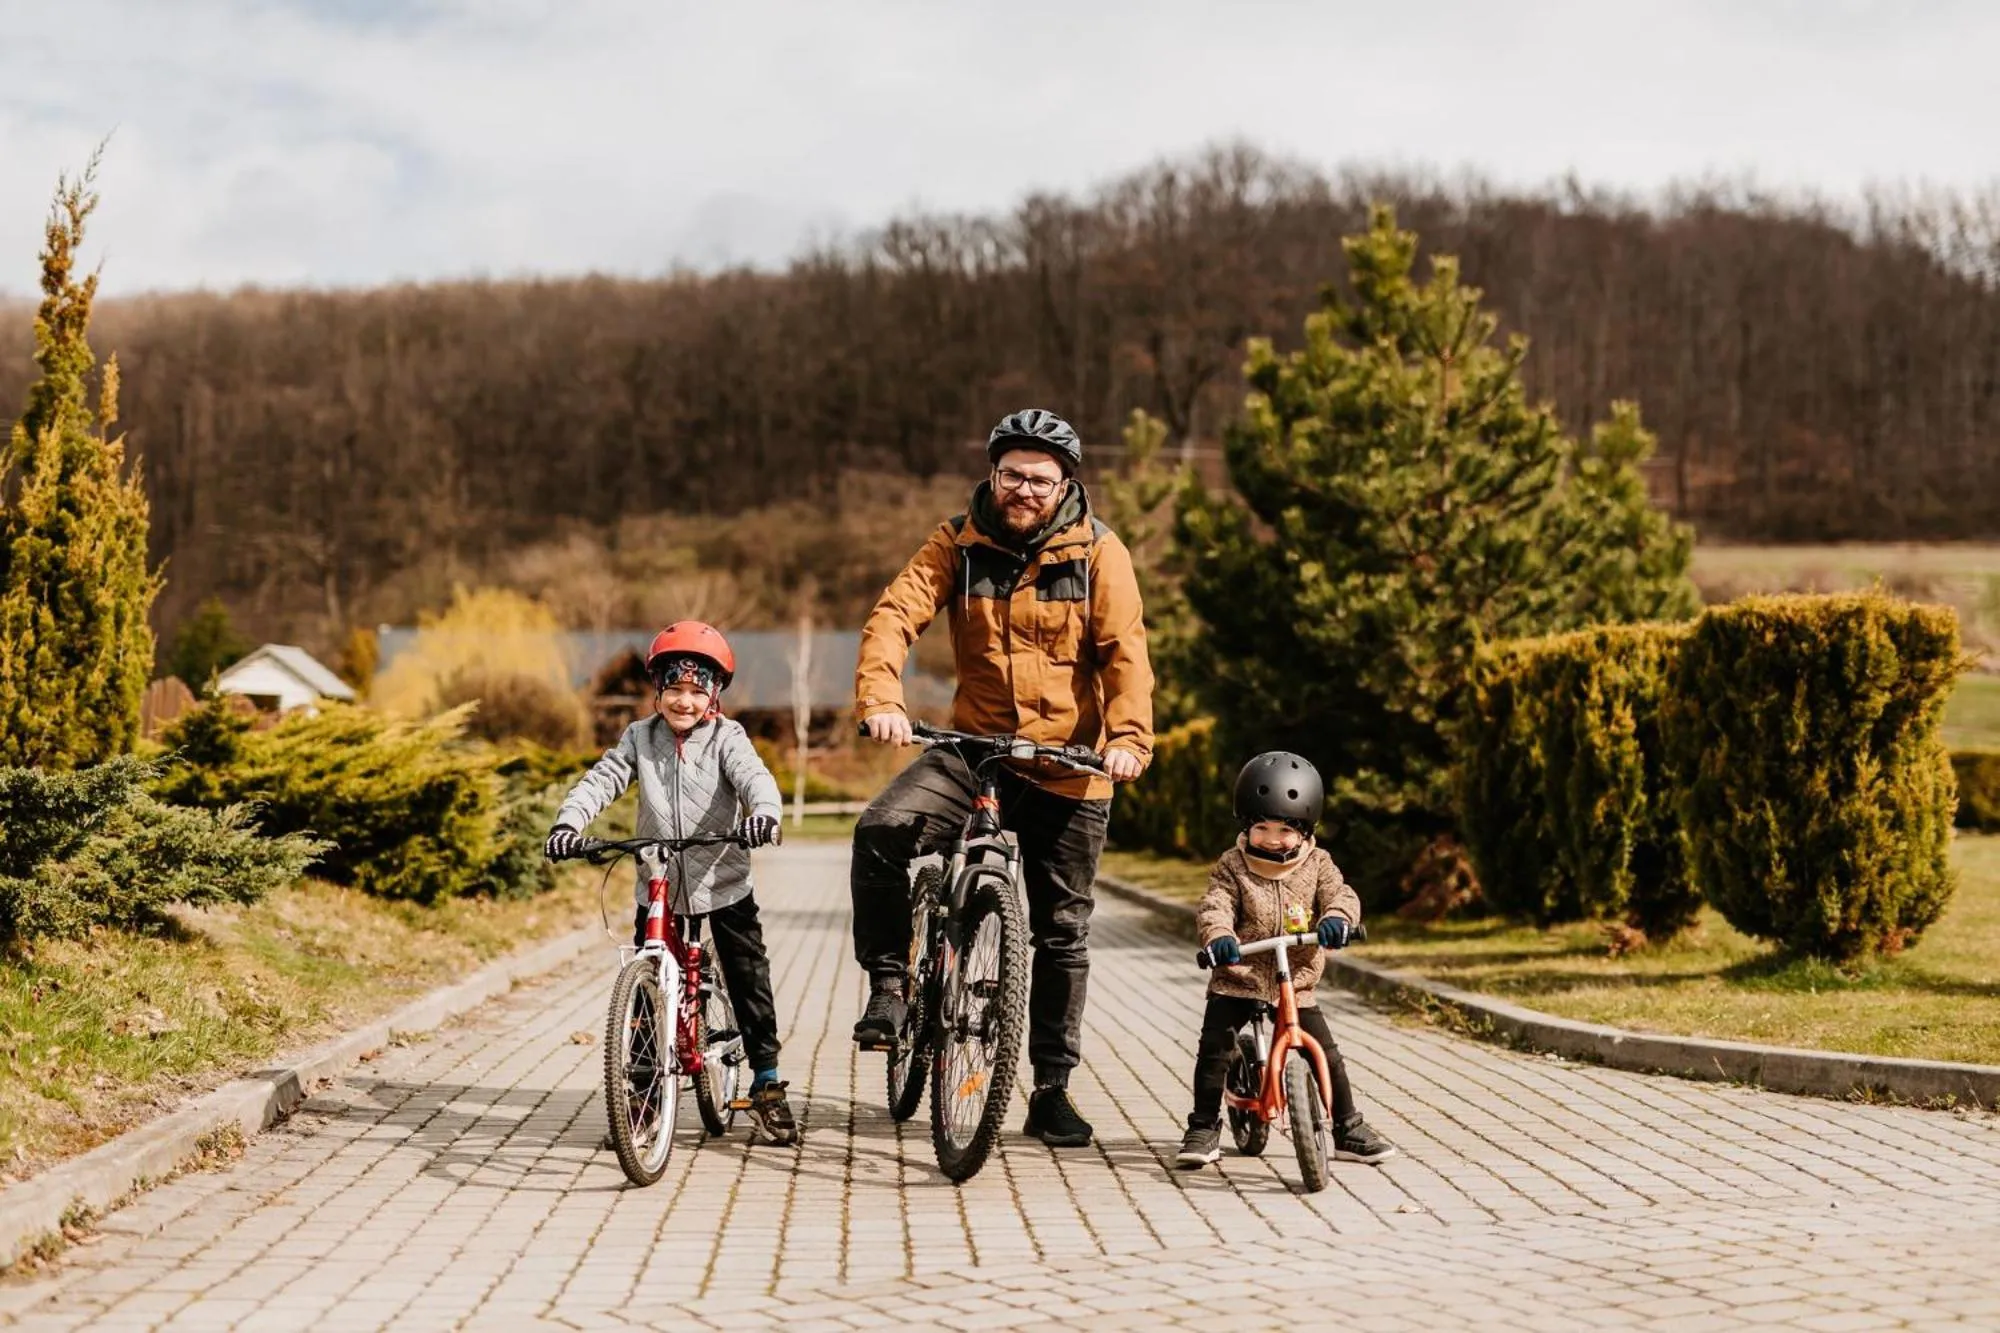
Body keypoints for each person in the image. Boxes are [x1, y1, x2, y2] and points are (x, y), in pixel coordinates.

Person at [850, 408, 1154, 1148]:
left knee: (1062, 930)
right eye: (1012, 473)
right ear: (993, 474)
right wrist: (882, 700)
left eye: (1040, 479)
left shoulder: (1099, 553)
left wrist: (1127, 737)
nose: (1024, 488)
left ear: (1065, 485)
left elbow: (1124, 652)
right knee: (882, 830)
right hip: (974, 749)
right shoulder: (957, 541)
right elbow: (894, 615)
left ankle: (1050, 1089)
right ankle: (890, 989)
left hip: (1068, 763)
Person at [544, 621, 797, 1146]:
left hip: (721, 880)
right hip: (657, 882)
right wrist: (570, 823)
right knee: (646, 989)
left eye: (697, 691)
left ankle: (767, 1082)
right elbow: (603, 780)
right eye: (674, 689)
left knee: (748, 974)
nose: (685, 701)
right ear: (658, 691)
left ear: (713, 695)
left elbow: (755, 778)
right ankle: (639, 1098)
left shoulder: (728, 737)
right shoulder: (639, 737)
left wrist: (764, 814)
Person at [1176, 751, 1398, 1169]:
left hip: (1295, 979)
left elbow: (1341, 895)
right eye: (1262, 827)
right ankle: (1203, 1125)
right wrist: (1220, 935)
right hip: (1238, 976)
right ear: (1246, 824)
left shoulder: (1317, 864)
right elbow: (1215, 905)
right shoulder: (1232, 866)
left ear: (1305, 829)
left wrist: (1336, 919)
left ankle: (1348, 1127)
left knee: (1325, 1054)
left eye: (1284, 830)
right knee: (1215, 1048)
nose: (1272, 839)